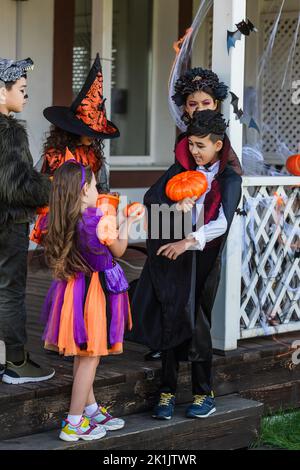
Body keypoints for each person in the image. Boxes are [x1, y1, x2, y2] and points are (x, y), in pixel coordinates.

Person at [131, 110, 242, 419]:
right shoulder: (180, 170)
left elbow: (222, 222)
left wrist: (187, 241)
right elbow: (154, 199)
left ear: (218, 145)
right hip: (175, 258)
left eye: (201, 145)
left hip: (204, 256)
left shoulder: (229, 178)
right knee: (172, 314)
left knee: (197, 322)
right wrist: (175, 207)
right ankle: (167, 390)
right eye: (191, 144)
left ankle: (203, 393)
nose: (194, 151)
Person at [42, 158, 142, 442]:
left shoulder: (62, 216)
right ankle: (74, 423)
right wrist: (128, 222)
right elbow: (119, 250)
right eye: (96, 185)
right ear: (84, 189)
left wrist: (117, 221)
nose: (98, 190)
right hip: (94, 294)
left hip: (74, 290)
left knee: (84, 354)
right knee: (90, 358)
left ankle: (91, 409)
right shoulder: (97, 220)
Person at [0, 57, 54, 384]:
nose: (26, 96)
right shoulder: (9, 133)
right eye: (21, 89)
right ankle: (16, 362)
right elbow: (16, 186)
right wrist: (48, 186)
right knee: (10, 291)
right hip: (9, 224)